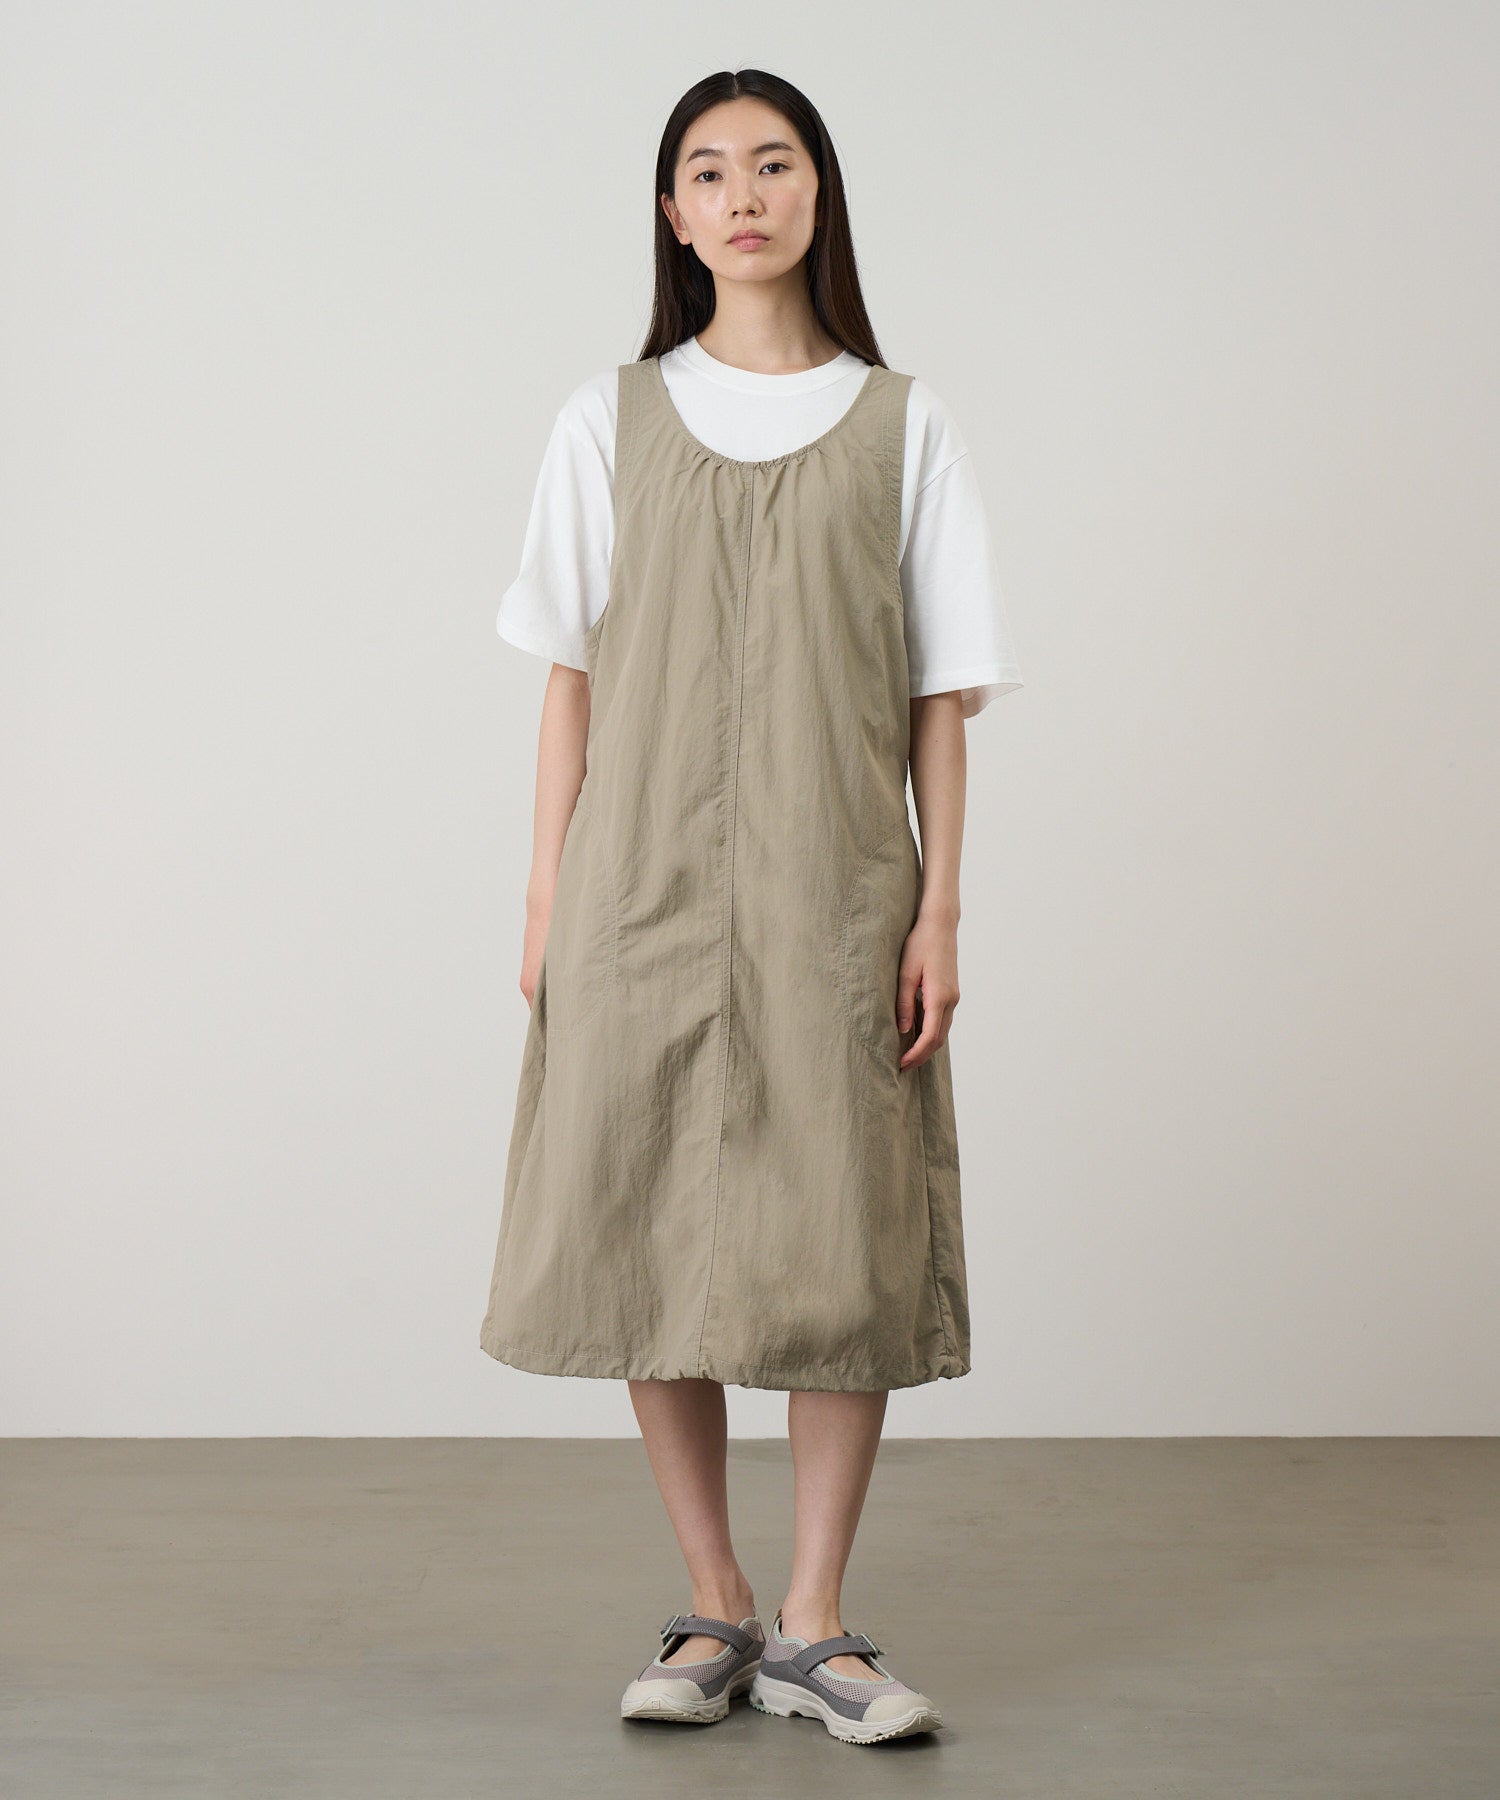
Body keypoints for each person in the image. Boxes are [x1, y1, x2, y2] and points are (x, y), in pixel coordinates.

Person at [479, 68, 1024, 1745]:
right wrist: (547, 892)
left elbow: (941, 693)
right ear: (673, 214)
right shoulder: (609, 418)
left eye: (772, 165)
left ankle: (816, 1624)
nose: (743, 196)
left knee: (841, 1237)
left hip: (836, 889)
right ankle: (715, 1600)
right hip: (635, 886)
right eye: (708, 172)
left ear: (818, 194)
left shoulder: (904, 423)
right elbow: (568, 675)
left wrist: (939, 910)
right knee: (646, 1216)